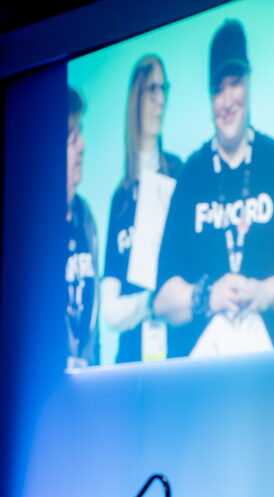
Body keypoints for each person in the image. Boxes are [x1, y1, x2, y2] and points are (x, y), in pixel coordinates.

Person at [153, 19, 274, 358]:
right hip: (199, 371)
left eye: (235, 83)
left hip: (264, 367)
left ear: (249, 82)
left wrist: (264, 291)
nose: (227, 99)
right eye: (217, 88)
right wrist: (206, 296)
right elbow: (163, 299)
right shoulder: (191, 174)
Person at [102, 54, 182, 363]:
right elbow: (109, 312)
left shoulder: (178, 172)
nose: (160, 99)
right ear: (137, 97)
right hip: (131, 361)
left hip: (177, 352)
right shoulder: (119, 201)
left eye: (165, 89)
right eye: (152, 89)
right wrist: (150, 303)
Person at [66, 87, 99, 369]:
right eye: (72, 137)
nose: (83, 145)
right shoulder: (33, 234)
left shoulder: (85, 217)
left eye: (81, 134)